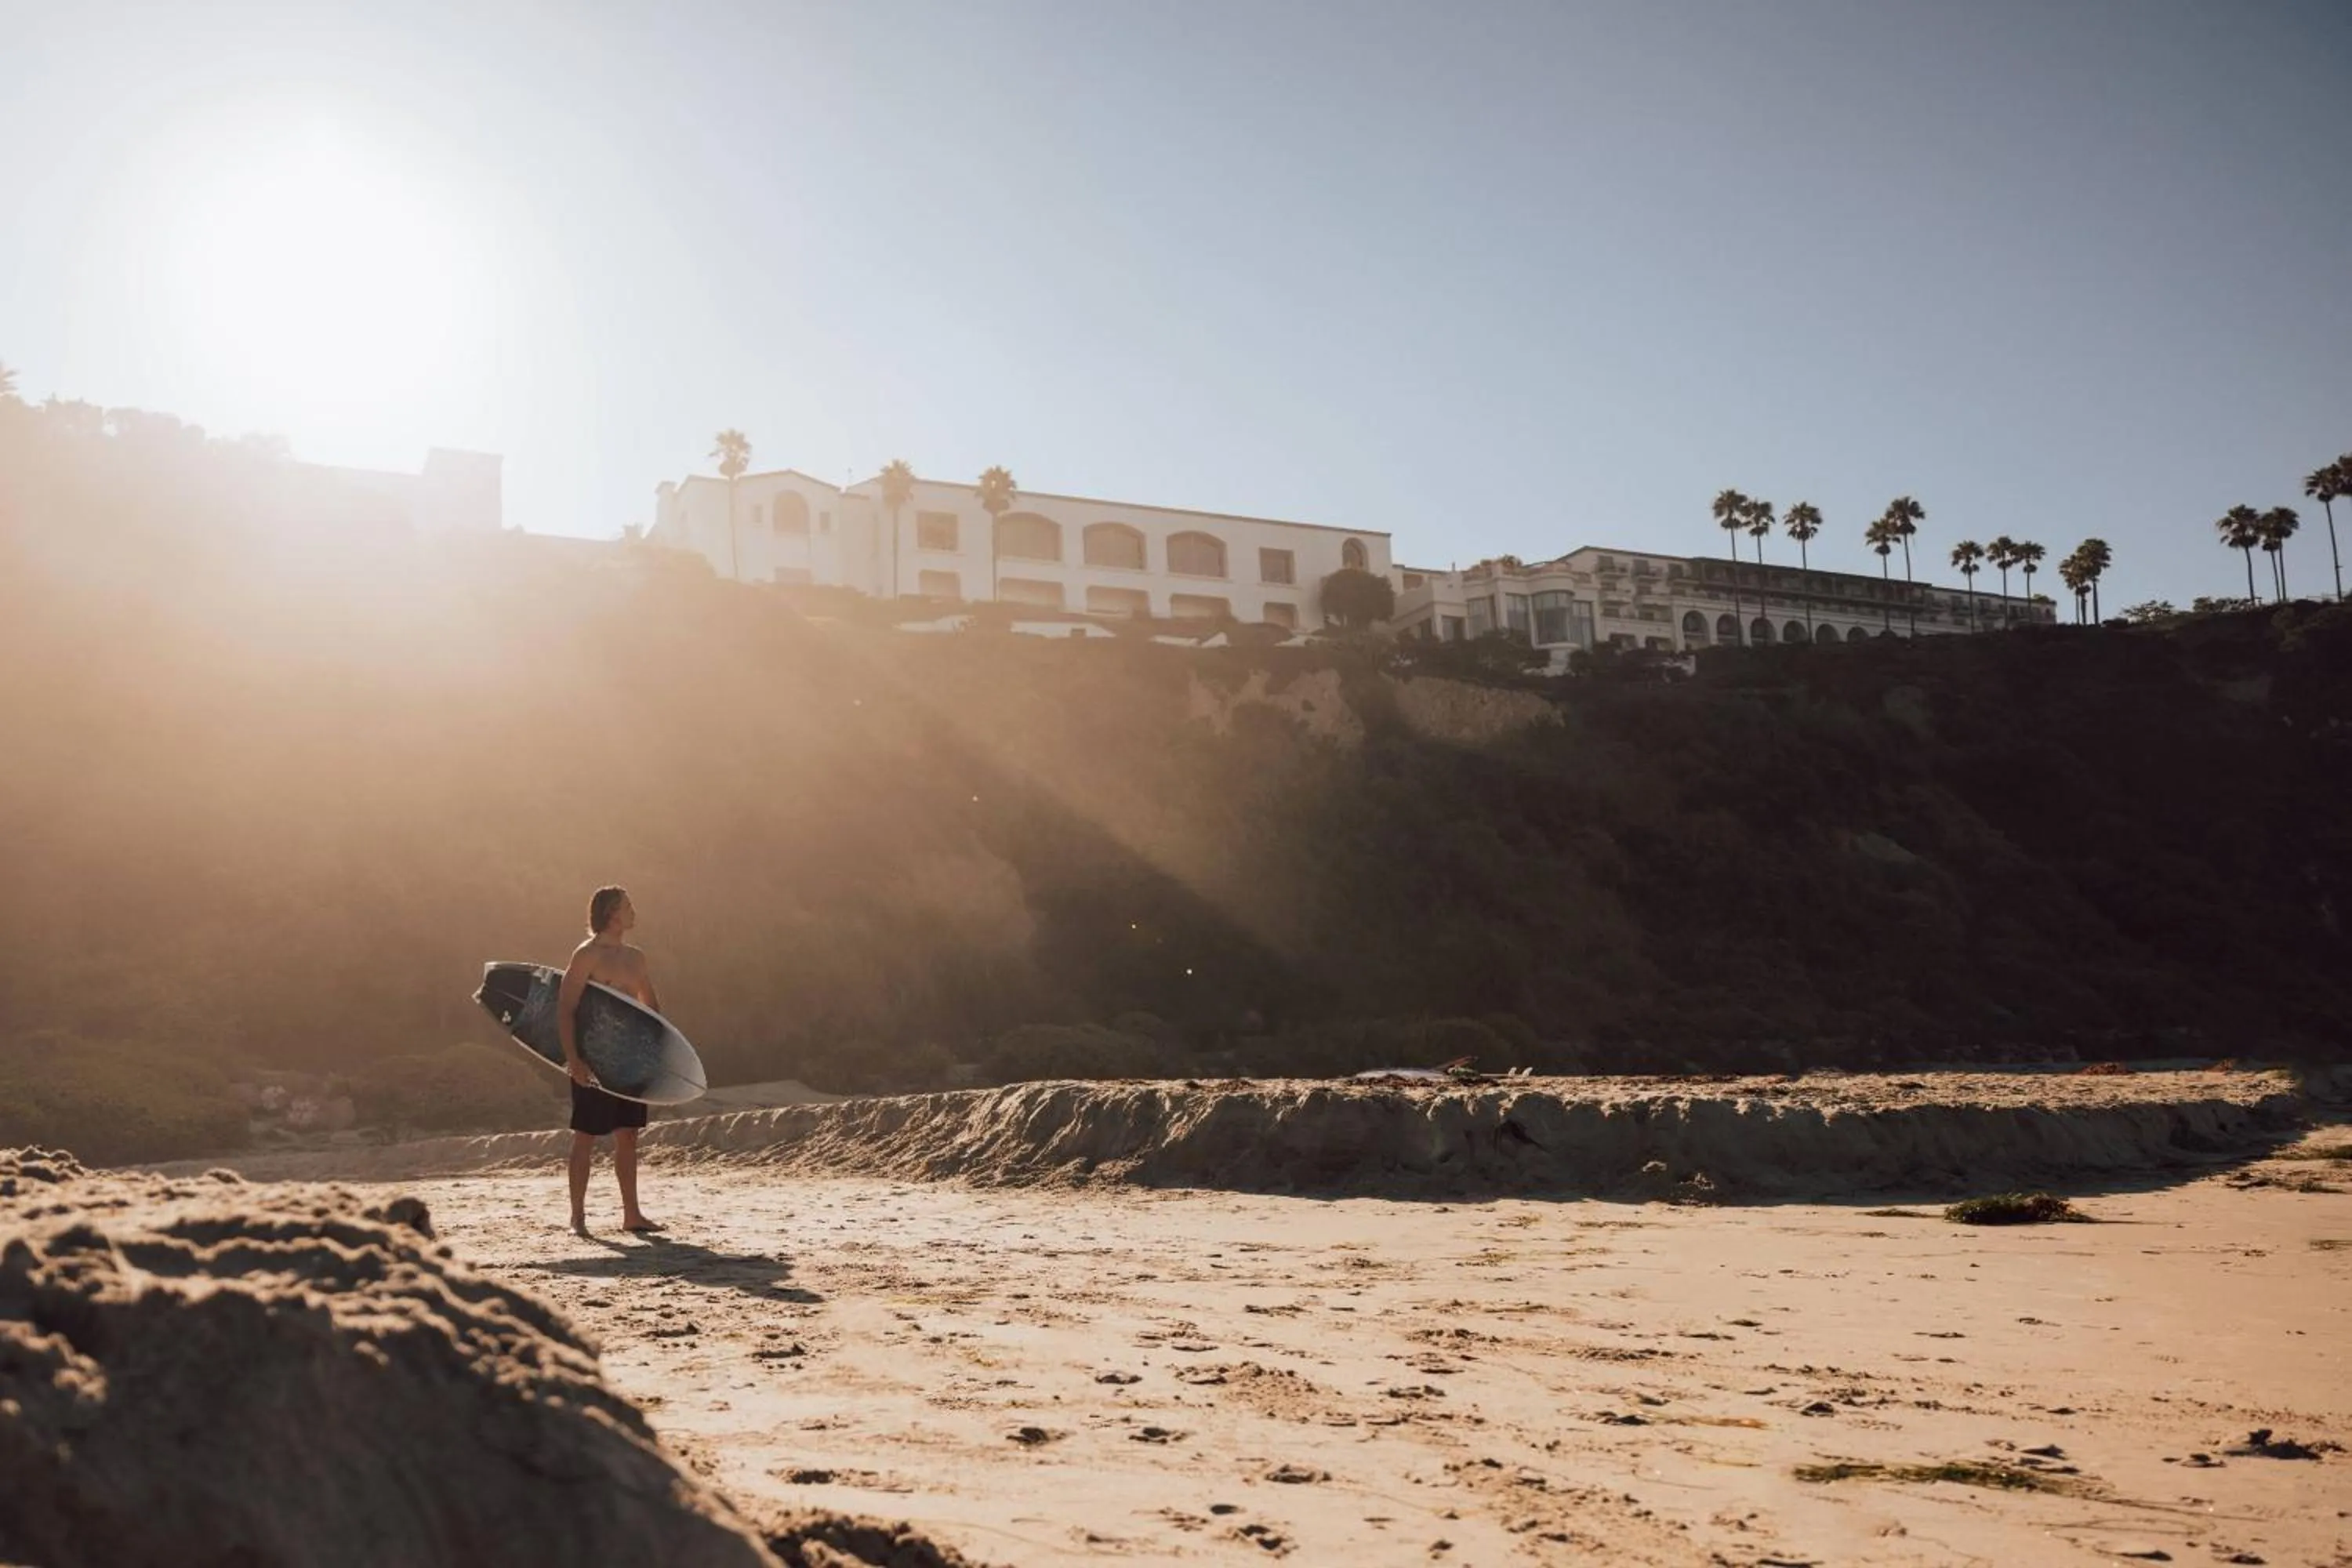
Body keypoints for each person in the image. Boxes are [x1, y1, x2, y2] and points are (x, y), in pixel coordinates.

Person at [559, 885, 663, 1236]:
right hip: (594, 1058)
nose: (634, 911)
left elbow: (651, 1007)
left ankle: (631, 1215)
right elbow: (565, 1008)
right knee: (586, 1135)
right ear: (611, 913)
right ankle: (578, 1217)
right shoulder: (586, 955)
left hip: (629, 1060)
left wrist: (657, 1052)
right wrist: (574, 1059)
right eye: (627, 906)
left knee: (628, 1136)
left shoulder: (636, 957)